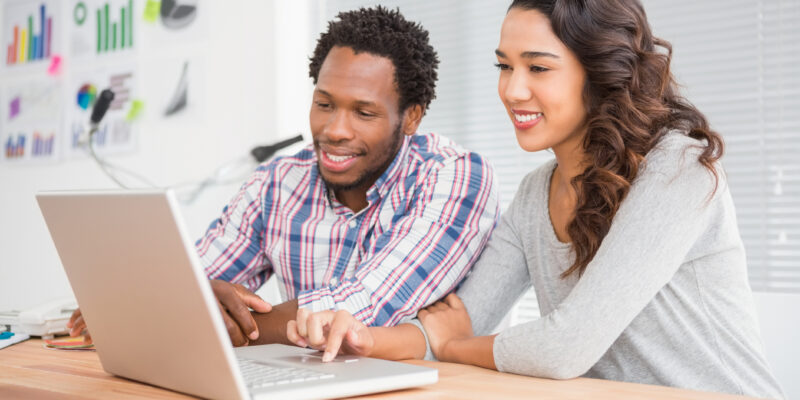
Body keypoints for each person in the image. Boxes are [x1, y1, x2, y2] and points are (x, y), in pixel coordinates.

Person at [285, 1, 785, 398]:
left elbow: (562, 348)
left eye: (538, 68)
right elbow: (463, 316)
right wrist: (363, 337)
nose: (512, 89)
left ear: (600, 70)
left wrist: (453, 346)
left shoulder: (677, 167)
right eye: (505, 66)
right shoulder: (534, 195)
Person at [67, 6, 499, 348]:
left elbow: (365, 307)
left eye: (364, 112)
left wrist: (189, 314)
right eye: (325, 104)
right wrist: (167, 300)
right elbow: (191, 279)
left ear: (411, 118)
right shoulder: (277, 182)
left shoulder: (455, 177)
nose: (334, 130)